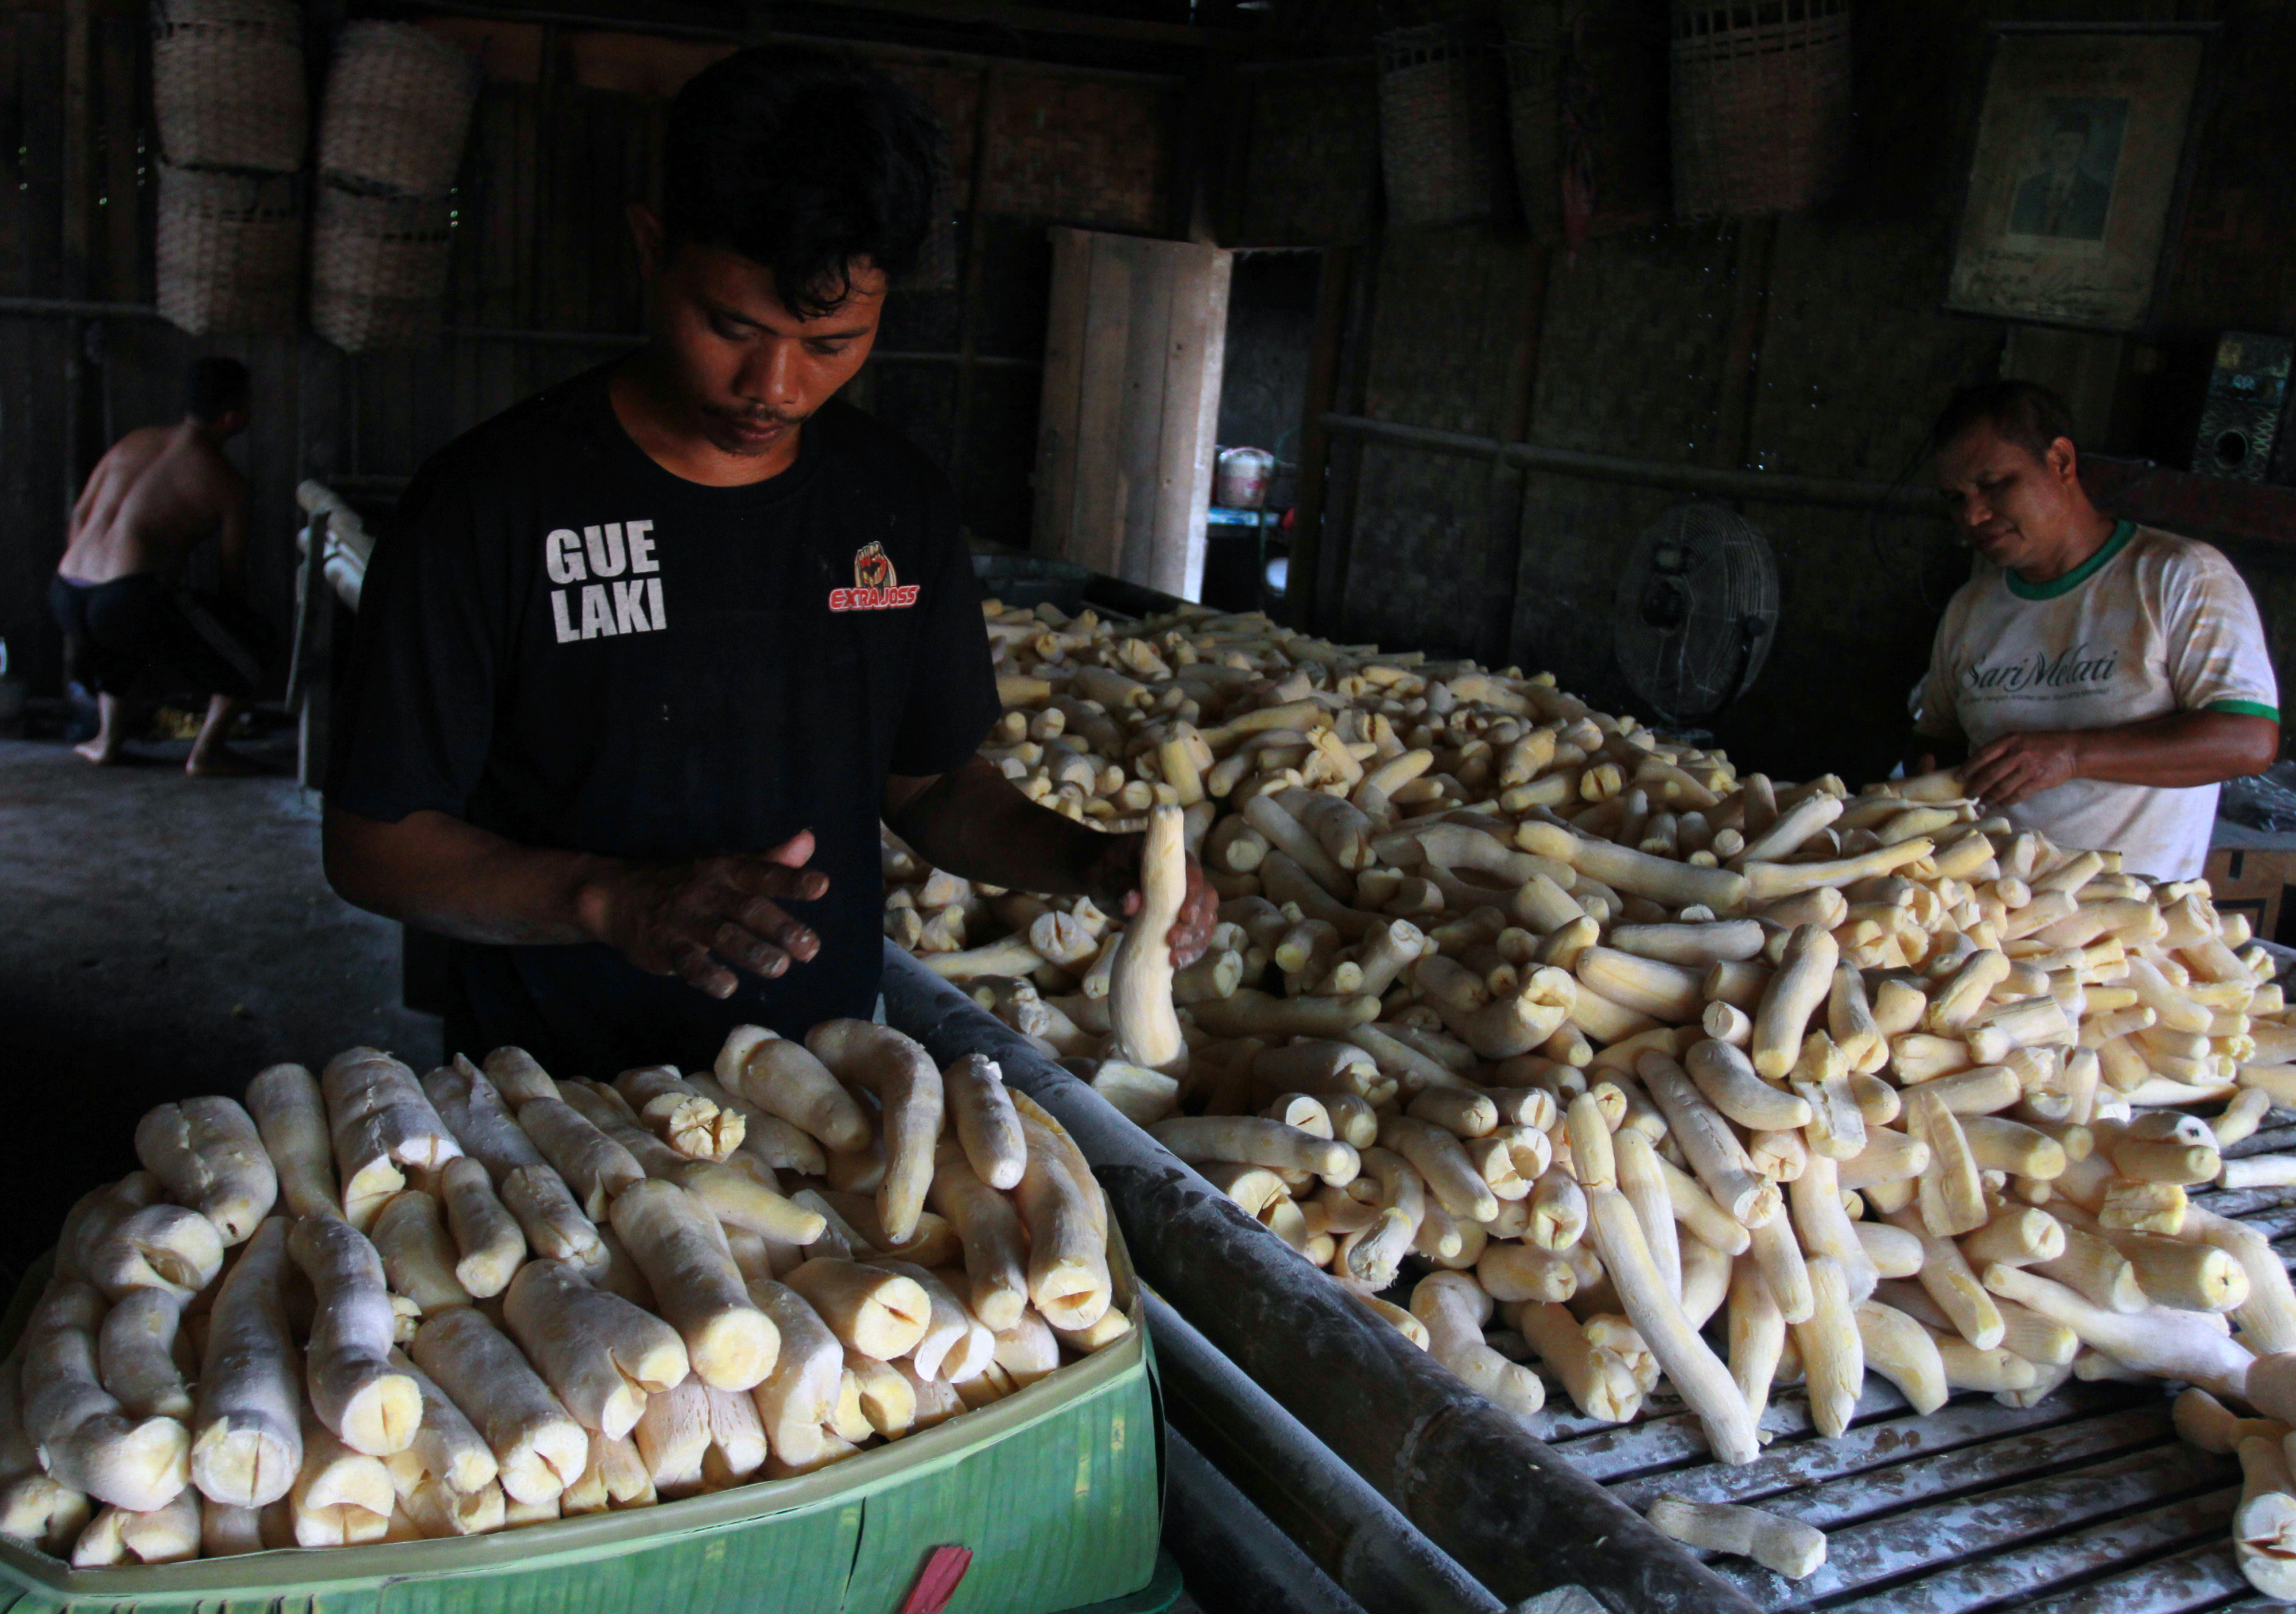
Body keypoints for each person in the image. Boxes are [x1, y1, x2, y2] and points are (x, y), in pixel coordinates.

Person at [323, 47, 1213, 1076]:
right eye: (731, 327)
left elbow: (929, 791)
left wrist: (1087, 862)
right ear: (653, 246)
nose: (776, 387)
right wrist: (610, 900)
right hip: (548, 1108)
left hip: (823, 1094)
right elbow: (373, 845)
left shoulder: (894, 504)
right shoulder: (491, 504)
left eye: (831, 343)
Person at [1913, 380, 2281, 881]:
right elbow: (1940, 744)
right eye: (1957, 499)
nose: (1973, 516)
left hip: (2127, 926)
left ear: (2061, 462)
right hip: (1990, 915)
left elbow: (2249, 741)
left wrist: (2071, 754)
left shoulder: (2181, 576)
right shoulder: (1971, 609)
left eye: (1995, 484)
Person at [49, 356, 272, 775]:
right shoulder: (226, 481)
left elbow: (79, 516)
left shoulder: (134, 441)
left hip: (66, 591)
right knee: (255, 647)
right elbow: (231, 576)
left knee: (121, 632)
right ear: (231, 417)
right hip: (124, 597)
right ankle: (208, 752)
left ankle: (106, 742)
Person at [2008, 108, 2113, 241]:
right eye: (2060, 142)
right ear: (2051, 146)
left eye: (2074, 143)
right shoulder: (2029, 188)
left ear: (2085, 148)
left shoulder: (2099, 194)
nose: (2065, 150)